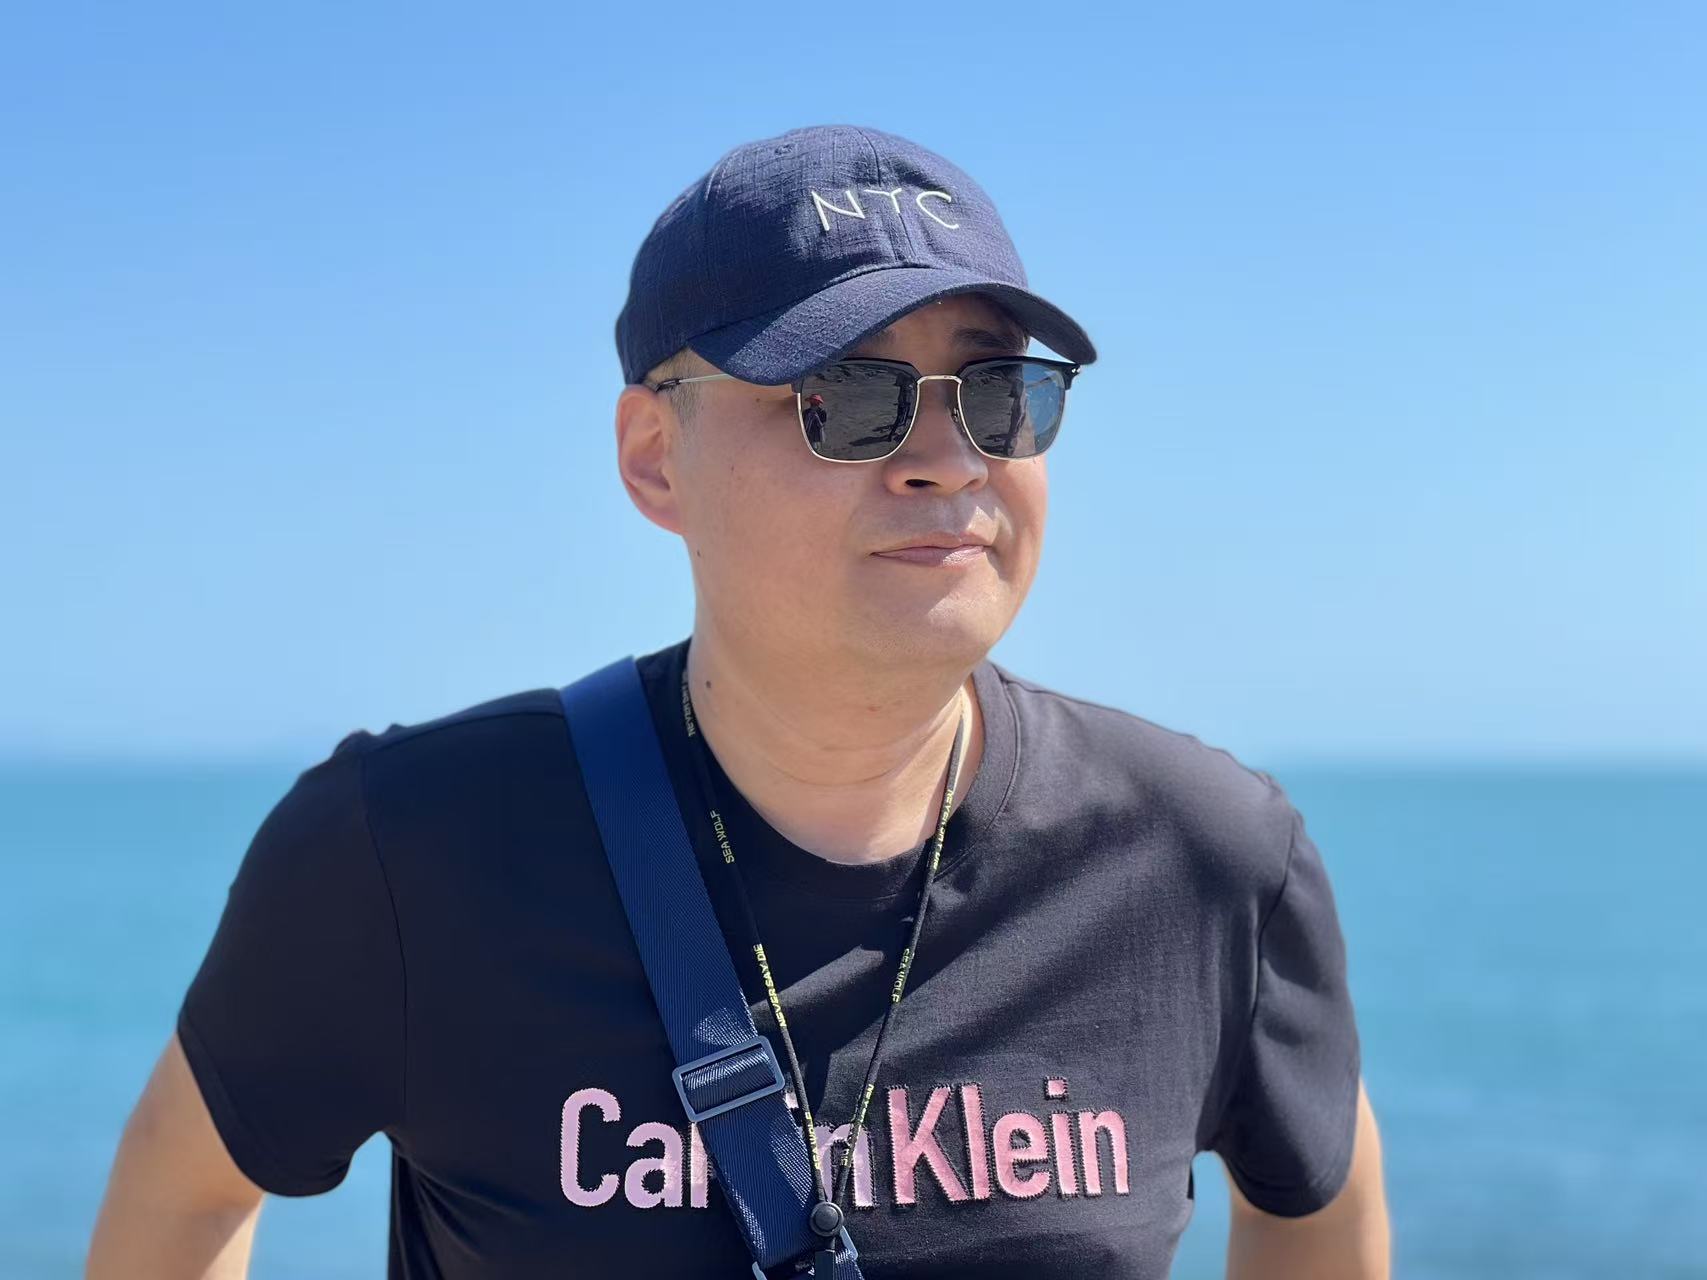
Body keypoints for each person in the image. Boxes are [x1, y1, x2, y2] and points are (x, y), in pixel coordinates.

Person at [88, 123, 1391, 1279]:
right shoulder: (409, 850)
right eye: (850, 397)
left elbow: (1318, 1201)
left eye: (998, 392)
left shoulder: (1208, 856)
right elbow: (185, 1192)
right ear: (656, 457)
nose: (948, 459)